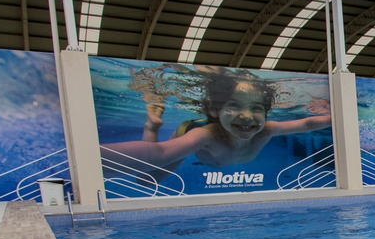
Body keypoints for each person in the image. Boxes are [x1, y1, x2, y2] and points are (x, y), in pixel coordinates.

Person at [102, 71, 331, 173]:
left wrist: (339, 117)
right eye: (234, 106)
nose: (247, 116)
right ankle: (151, 126)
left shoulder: (267, 130)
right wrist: (93, 159)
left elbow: (307, 124)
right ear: (214, 109)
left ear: (266, 112)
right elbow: (160, 152)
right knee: (147, 180)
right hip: (190, 128)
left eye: (256, 108)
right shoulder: (206, 135)